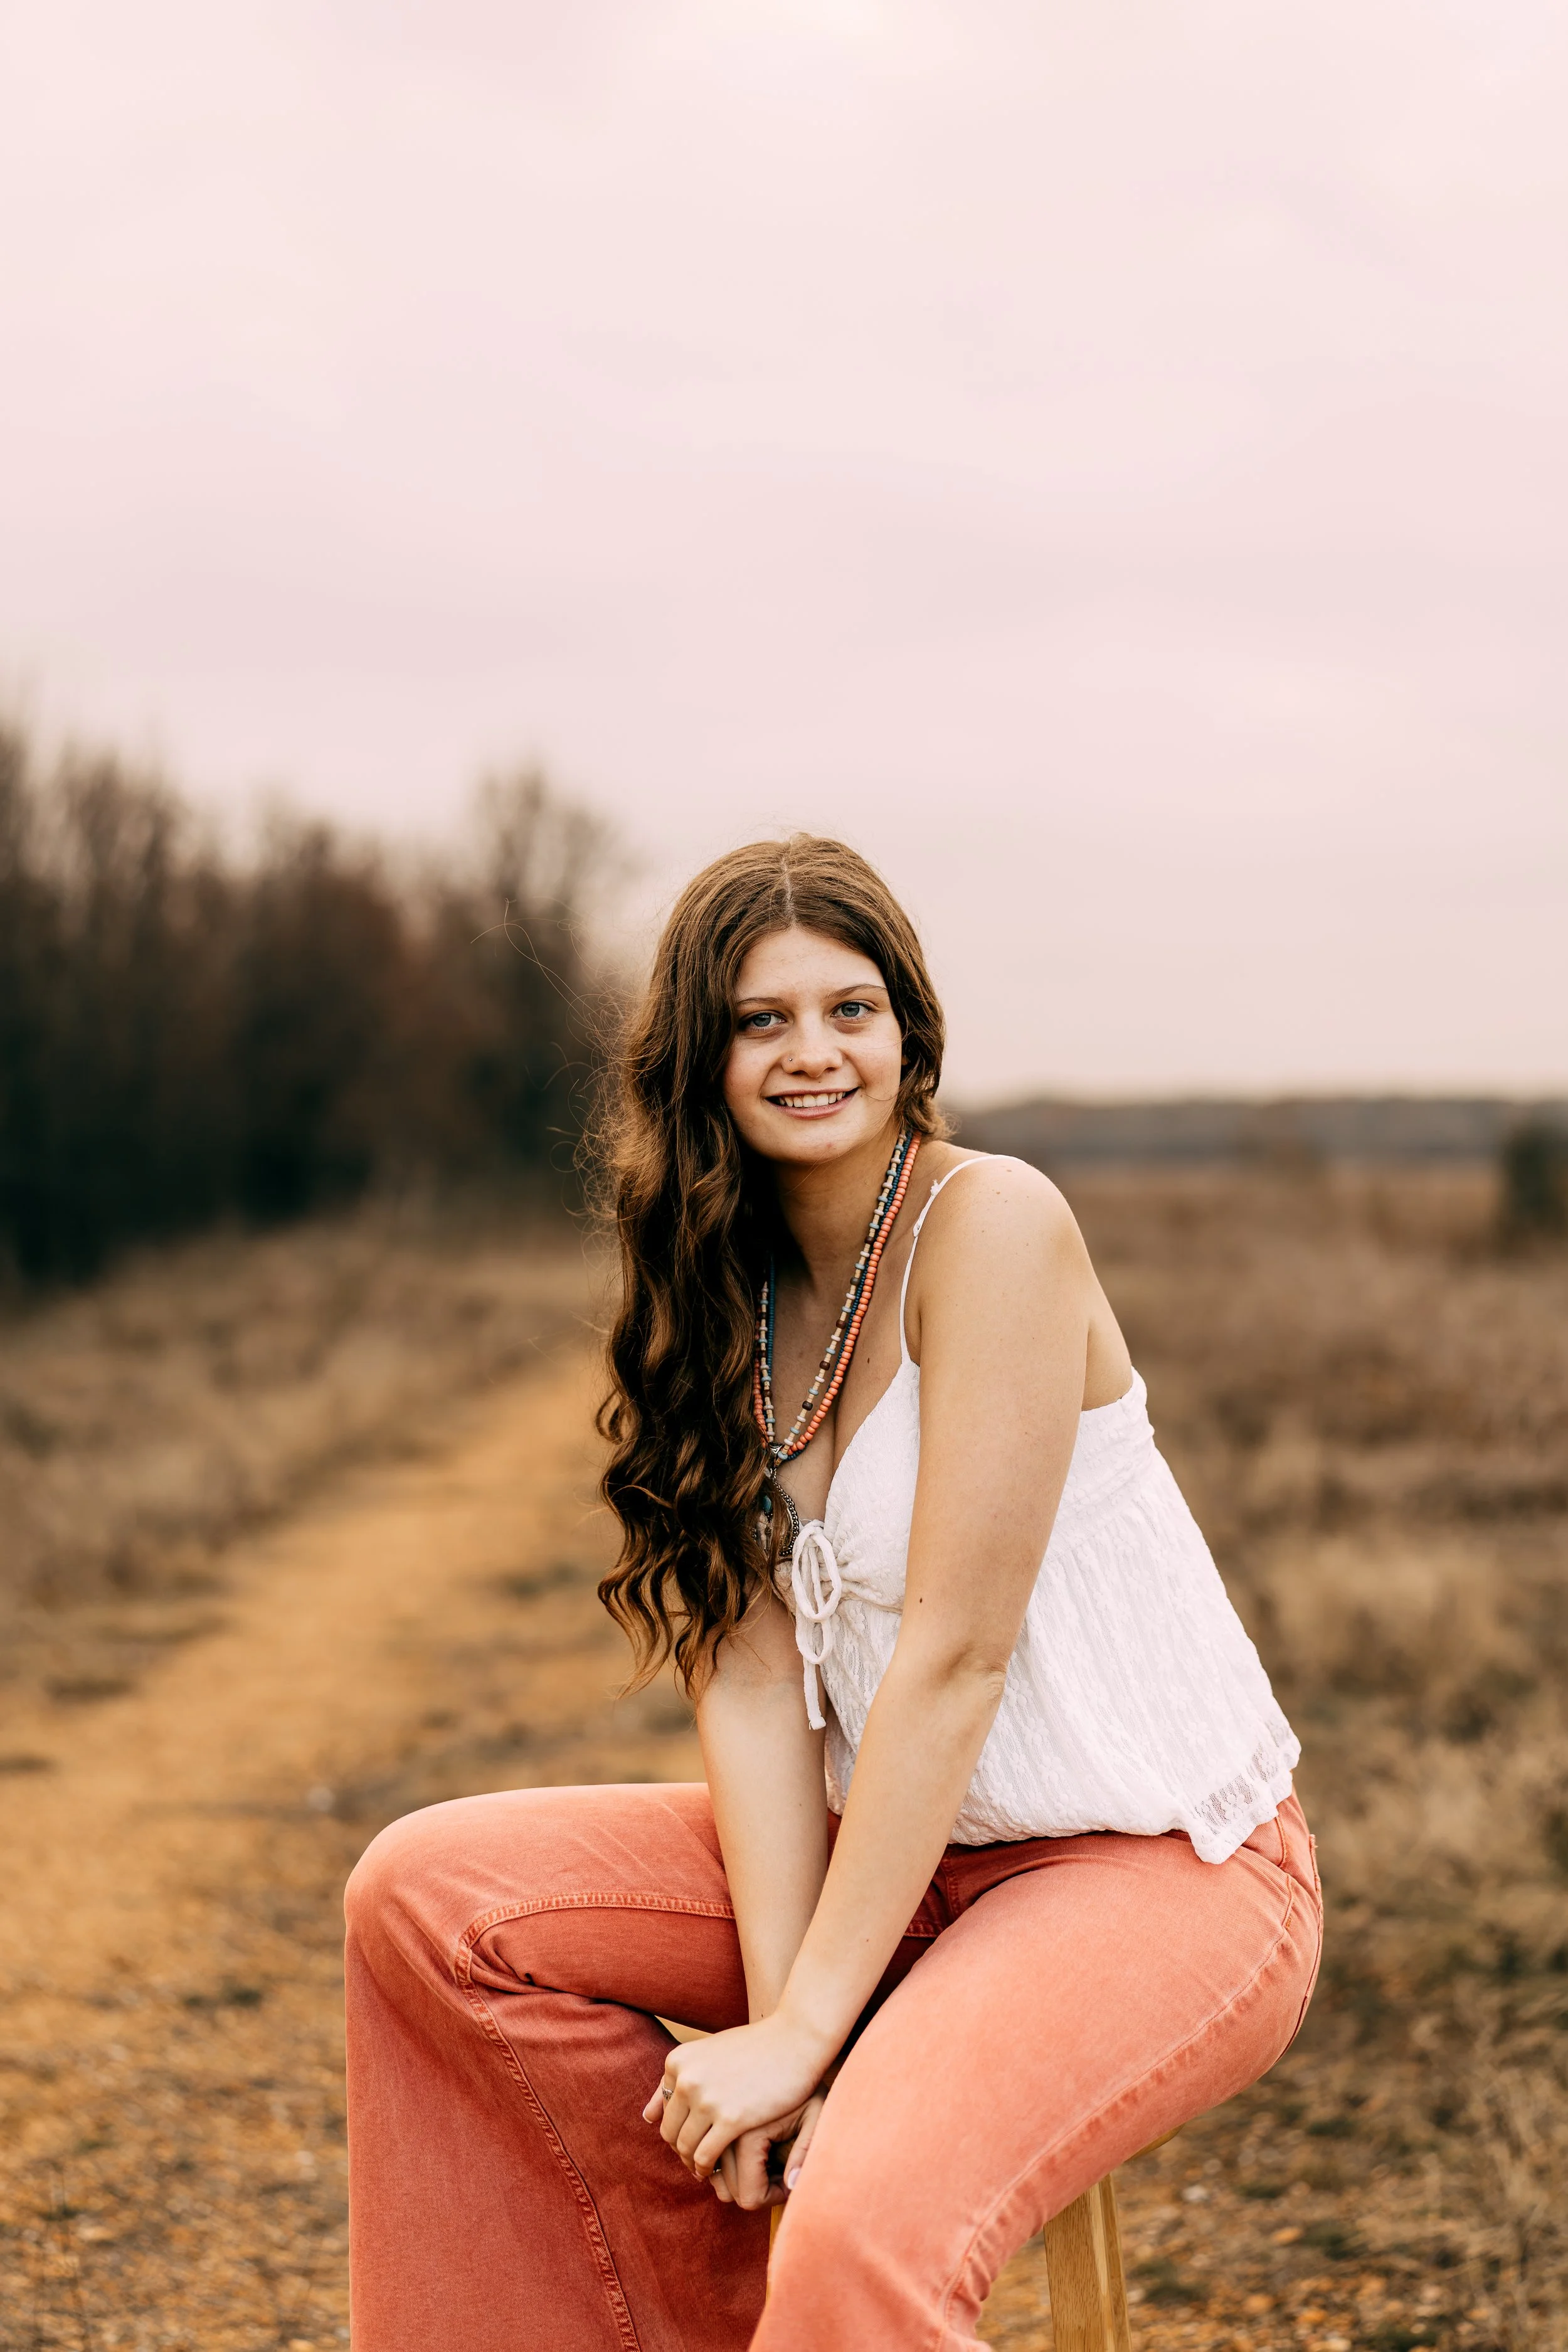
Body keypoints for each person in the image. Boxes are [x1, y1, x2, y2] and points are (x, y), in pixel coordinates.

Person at [344, 835, 1320, 2351]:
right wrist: (788, 2018)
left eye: (849, 1008)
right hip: (901, 1858)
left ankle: (816, 2299)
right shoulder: (718, 1287)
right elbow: (744, 1676)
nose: (813, 1052)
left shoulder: (990, 1226)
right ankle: (698, 2313)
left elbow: (952, 1660)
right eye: (761, 1020)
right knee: (429, 1900)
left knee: (862, 2234)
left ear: (908, 1032)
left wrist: (803, 2032)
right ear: (699, 1058)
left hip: (1150, 1866)